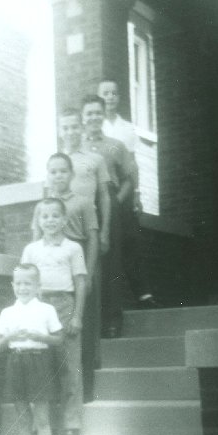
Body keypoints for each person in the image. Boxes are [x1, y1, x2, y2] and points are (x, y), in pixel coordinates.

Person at [32, 153, 100, 404]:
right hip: (50, 267)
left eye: (63, 171)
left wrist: (89, 273)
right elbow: (35, 238)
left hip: (76, 266)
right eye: (53, 171)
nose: (58, 176)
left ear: (71, 175)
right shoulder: (42, 207)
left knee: (77, 336)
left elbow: (92, 238)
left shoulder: (83, 201)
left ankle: (85, 393)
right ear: (47, 175)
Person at [22, 197, 88, 435]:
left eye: (54, 216)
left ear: (64, 220)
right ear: (38, 221)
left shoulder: (73, 248)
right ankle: (43, 425)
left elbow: (80, 282)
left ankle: (71, 423)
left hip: (64, 305)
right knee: (40, 367)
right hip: (39, 307)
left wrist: (77, 315)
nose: (49, 220)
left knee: (69, 366)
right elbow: (25, 282)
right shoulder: (31, 250)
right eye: (44, 216)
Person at [0, 264, 63, 435]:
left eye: (28, 283)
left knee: (42, 418)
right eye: (19, 283)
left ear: (37, 286)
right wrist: (11, 336)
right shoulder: (7, 313)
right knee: (23, 419)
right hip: (16, 362)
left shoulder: (46, 310)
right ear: (13, 285)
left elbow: (59, 339)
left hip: (39, 362)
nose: (23, 288)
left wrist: (41, 337)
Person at [97, 78, 158, 309]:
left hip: (123, 190)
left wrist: (136, 193)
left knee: (130, 240)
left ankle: (143, 294)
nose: (110, 97)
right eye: (105, 93)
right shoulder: (94, 125)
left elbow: (132, 166)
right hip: (102, 190)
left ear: (119, 97)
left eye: (113, 93)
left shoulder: (126, 128)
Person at [80, 94, 132, 338]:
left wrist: (117, 202)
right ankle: (91, 321)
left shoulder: (115, 145)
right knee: (85, 262)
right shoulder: (75, 145)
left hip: (108, 202)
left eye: (97, 113)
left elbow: (129, 179)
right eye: (89, 113)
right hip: (84, 204)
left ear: (103, 115)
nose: (93, 117)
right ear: (83, 117)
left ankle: (112, 320)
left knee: (111, 261)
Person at [58, 108, 111, 255]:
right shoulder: (55, 161)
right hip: (60, 223)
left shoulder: (95, 159)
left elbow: (104, 197)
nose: (70, 132)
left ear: (82, 128)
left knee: (90, 269)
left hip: (87, 222)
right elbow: (48, 195)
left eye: (74, 127)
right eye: (65, 128)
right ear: (59, 131)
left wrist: (105, 231)